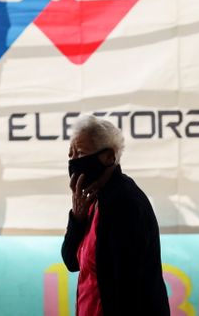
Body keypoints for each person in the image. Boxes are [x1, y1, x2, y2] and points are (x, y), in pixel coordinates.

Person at [61, 115, 170, 316]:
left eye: (81, 153)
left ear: (109, 156)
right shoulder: (94, 199)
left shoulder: (124, 203)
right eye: (71, 155)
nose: (74, 162)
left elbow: (126, 291)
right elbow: (71, 262)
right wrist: (77, 218)